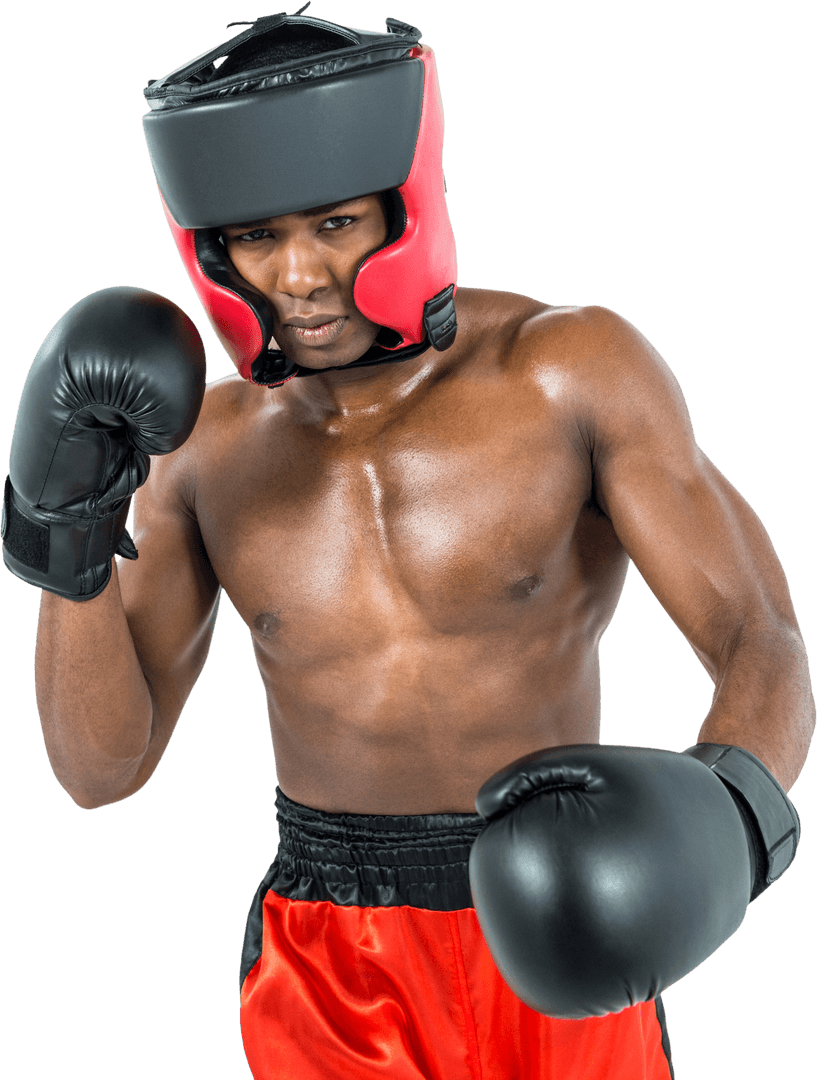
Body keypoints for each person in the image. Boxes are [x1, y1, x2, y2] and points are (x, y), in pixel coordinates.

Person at [3, 8, 813, 1080]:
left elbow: (760, 636)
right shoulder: (203, 449)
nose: (294, 276)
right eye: (256, 236)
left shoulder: (567, 372)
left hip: (564, 908)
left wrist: (727, 814)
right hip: (334, 948)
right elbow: (98, 771)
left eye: (333, 223)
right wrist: (68, 530)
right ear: (211, 250)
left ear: (404, 205)